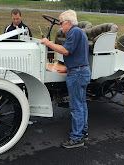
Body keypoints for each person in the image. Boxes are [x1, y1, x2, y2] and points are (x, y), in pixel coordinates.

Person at [41, 10, 91, 148]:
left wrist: (48, 43)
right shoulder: (79, 32)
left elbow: (65, 51)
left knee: (76, 107)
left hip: (77, 74)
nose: (60, 26)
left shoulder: (74, 32)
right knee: (81, 104)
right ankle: (82, 131)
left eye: (61, 23)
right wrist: (68, 68)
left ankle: (76, 138)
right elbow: (77, 55)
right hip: (81, 71)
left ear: (68, 22)